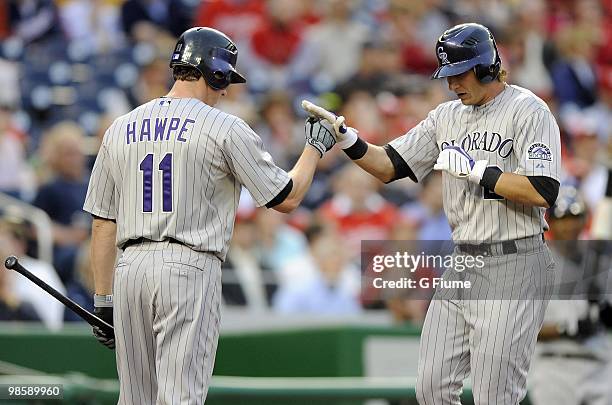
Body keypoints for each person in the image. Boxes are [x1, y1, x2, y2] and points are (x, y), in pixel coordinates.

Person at [305, 23, 561, 404]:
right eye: (448, 75)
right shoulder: (446, 116)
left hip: (515, 260)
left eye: (460, 73)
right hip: (463, 263)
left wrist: (480, 172)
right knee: (431, 387)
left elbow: (544, 190)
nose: (452, 83)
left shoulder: (528, 110)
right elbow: (389, 165)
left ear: (488, 67)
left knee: (495, 395)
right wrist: (349, 140)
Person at [83, 27, 335, 404]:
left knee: (135, 398)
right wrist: (314, 148)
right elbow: (286, 197)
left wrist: (103, 299)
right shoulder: (225, 127)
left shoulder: (121, 126)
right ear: (213, 72)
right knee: (180, 396)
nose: (226, 90)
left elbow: (103, 222)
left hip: (129, 270)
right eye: (225, 79)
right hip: (188, 266)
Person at [530, 186, 612, 405]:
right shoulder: (536, 264)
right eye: (563, 218)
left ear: (584, 219)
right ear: (551, 222)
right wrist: (567, 328)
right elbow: (523, 328)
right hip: (554, 368)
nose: (569, 225)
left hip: (599, 367)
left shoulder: (600, 261)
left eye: (574, 217)